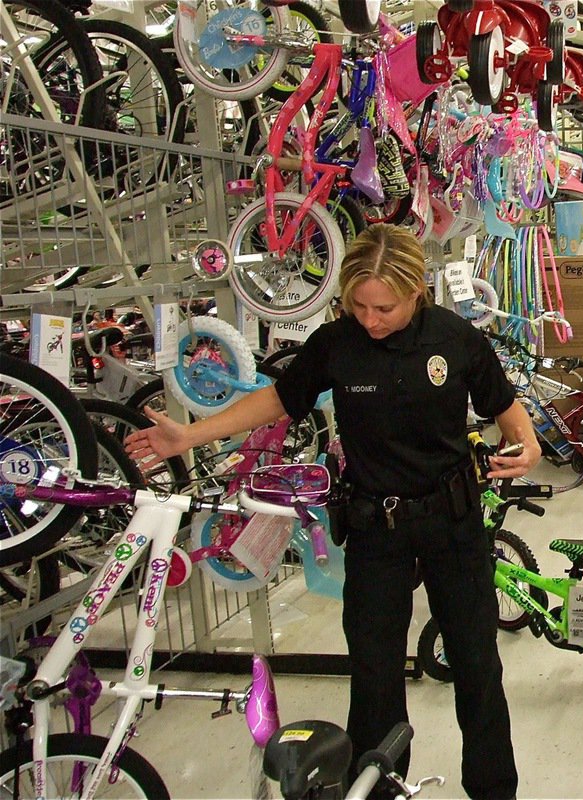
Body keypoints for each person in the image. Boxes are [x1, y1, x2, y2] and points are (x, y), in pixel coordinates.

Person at [125, 224, 539, 800]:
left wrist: (528, 444)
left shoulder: (456, 339)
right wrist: (188, 437)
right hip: (375, 529)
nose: (370, 319)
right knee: (373, 677)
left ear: (417, 290)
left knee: (476, 666)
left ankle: (494, 792)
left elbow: (508, 411)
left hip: (453, 524)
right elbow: (276, 400)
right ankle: (375, 791)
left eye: (384, 308)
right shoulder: (336, 344)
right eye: (358, 306)